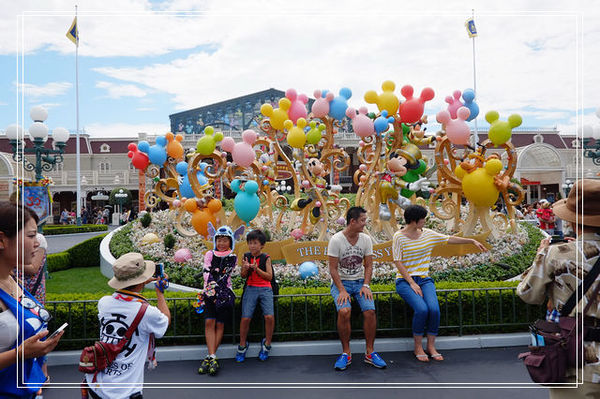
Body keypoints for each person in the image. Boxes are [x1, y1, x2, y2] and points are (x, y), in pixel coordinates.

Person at [517, 179, 600, 397]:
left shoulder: (557, 253)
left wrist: (541, 255)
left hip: (578, 360)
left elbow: (528, 294)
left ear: (574, 221)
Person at [393, 205, 487, 362]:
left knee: (434, 310)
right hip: (404, 281)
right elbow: (398, 261)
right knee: (422, 310)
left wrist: (471, 240)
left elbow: (449, 239)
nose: (424, 221)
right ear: (414, 221)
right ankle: (418, 347)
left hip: (424, 280)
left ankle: (431, 346)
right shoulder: (398, 236)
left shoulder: (428, 234)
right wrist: (411, 283)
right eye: (422, 219)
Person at [83, 252, 171, 399]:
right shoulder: (147, 313)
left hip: (96, 384)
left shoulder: (104, 303)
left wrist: (140, 281)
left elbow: (125, 295)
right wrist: (159, 293)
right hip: (124, 392)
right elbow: (165, 322)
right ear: (141, 281)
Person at [0, 201, 64, 397]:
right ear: (2, 240)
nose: (37, 242)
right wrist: (21, 354)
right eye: (30, 236)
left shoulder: (13, 280)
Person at [328, 206, 386, 371]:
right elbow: (332, 269)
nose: (364, 224)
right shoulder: (336, 240)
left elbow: (368, 265)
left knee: (370, 311)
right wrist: (342, 290)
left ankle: (370, 352)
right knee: (344, 311)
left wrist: (366, 285)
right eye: (362, 220)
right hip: (342, 283)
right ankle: (346, 353)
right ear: (352, 221)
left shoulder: (365, 239)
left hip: (360, 281)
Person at [198, 226, 238, 376]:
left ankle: (210, 357)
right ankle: (212, 356)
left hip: (225, 294)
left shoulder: (233, 257)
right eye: (219, 240)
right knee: (210, 322)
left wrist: (219, 295)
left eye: (225, 240)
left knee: (220, 324)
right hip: (209, 293)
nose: (221, 243)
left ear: (230, 241)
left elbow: (224, 275)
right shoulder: (209, 254)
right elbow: (206, 273)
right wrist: (213, 294)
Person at [236, 229, 274, 362]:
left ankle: (267, 344)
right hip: (251, 288)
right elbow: (242, 275)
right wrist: (246, 268)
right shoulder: (246, 256)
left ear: (262, 245)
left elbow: (269, 277)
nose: (252, 246)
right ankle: (242, 345)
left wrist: (257, 269)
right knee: (246, 317)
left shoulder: (266, 257)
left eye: (255, 243)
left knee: (269, 316)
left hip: (265, 289)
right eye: (250, 243)